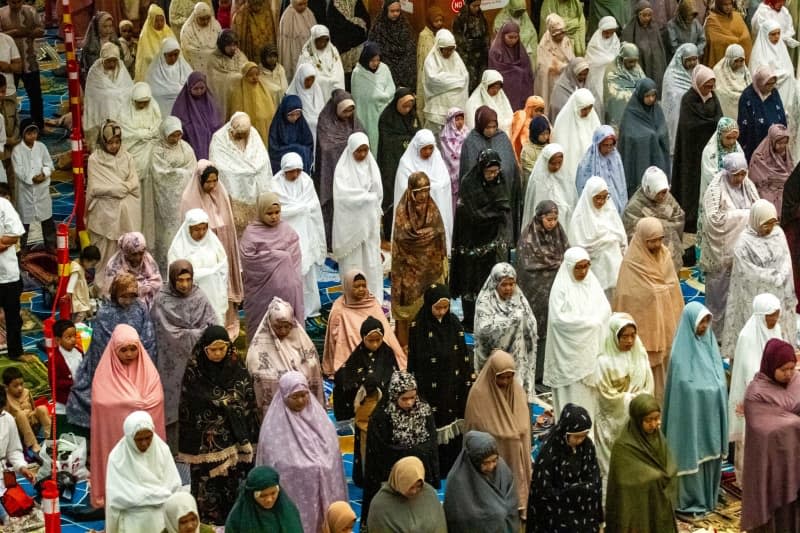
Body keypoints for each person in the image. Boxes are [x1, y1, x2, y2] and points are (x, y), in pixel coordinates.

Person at [179, 326, 259, 525]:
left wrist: (229, 405)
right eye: (212, 350)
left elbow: (246, 397)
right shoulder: (195, 371)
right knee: (210, 490)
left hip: (235, 441)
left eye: (221, 348)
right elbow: (191, 405)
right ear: (204, 350)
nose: (217, 354)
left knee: (234, 485)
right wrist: (223, 403)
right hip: (206, 445)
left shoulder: (236, 367)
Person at [256, 371, 347, 533]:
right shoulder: (273, 427)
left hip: (322, 479)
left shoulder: (320, 419)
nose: (300, 401)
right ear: (284, 396)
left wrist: (320, 464)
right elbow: (276, 461)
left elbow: (332, 450)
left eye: (304, 395)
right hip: (297, 488)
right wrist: (305, 466)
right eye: (294, 397)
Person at [66, 273, 156, 432]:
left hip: (136, 362)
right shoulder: (105, 313)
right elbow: (101, 348)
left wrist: (134, 356)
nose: (128, 300)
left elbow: (148, 338)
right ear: (115, 293)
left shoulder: (140, 308)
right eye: (124, 296)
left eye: (131, 296)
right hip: (112, 367)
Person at [662, 302, 728, 516]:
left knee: (709, 461)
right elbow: (684, 387)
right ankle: (690, 499)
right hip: (690, 420)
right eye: (701, 322)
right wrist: (707, 389)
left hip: (709, 418)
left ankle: (708, 496)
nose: (704, 326)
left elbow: (719, 379)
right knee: (692, 459)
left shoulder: (710, 346)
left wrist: (711, 389)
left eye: (707, 321)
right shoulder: (680, 356)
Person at [90, 324, 165, 509]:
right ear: (114, 350)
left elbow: (156, 398)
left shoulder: (148, 370)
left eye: (133, 349)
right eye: (123, 350)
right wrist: (133, 403)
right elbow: (102, 402)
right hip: (116, 434)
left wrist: (133, 403)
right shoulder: (104, 374)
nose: (130, 354)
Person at [613, 217, 683, 400]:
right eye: (652, 241)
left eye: (660, 239)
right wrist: (654, 293)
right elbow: (626, 295)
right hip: (646, 328)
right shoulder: (632, 262)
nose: (657, 244)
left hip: (665, 322)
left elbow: (672, 284)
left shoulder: (665, 254)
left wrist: (660, 291)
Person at [151, 260, 217, 451]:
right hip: (171, 362)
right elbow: (160, 330)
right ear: (172, 279)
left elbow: (212, 325)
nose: (185, 284)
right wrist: (191, 334)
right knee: (174, 404)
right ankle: (173, 449)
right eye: (180, 280)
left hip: (198, 361)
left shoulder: (199, 296)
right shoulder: (162, 299)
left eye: (188, 279)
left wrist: (193, 335)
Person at [407, 283, 471, 472]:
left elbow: (463, 356)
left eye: (445, 307)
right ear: (429, 305)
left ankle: (453, 462)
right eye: (438, 307)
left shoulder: (454, 324)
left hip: (452, 383)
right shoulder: (418, 326)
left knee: (452, 419)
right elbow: (414, 360)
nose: (442, 312)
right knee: (433, 421)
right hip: (429, 385)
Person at [361, 371, 440, 526]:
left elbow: (431, 442)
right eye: (404, 398)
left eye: (413, 397)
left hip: (420, 476)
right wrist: (412, 453)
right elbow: (381, 450)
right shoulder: (382, 416)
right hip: (392, 479)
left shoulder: (423, 410)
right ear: (394, 395)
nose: (410, 403)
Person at [722, 199, 796, 357]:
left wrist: (781, 275)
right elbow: (747, 273)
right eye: (765, 224)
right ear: (756, 221)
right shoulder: (744, 242)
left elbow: (786, 260)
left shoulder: (778, 234)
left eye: (772, 223)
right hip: (754, 297)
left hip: (778, 293)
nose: (769, 228)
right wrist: (772, 277)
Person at [544, 247, 611, 417]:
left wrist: (594, 322)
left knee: (589, 399)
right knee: (572, 397)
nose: (583, 271)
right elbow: (559, 320)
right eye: (578, 267)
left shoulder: (592, 282)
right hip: (568, 355)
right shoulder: (561, 288)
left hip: (590, 351)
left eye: (586, 266)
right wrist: (589, 324)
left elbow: (604, 309)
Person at [741, 338, 800, 532]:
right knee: (776, 512)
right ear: (771, 365)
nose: (789, 374)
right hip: (771, 465)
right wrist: (795, 422)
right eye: (784, 369)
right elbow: (765, 429)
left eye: (792, 368)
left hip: (795, 460)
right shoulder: (756, 393)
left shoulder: (796, 382)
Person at [179, 161, 243, 338]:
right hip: (199, 250)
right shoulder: (189, 198)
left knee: (223, 283)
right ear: (200, 181)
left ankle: (228, 323)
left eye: (215, 181)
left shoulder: (220, 192)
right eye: (208, 182)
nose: (212, 185)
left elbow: (227, 221)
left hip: (222, 245)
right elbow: (188, 231)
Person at [450, 149, 513, 330]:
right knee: (470, 277)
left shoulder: (500, 180)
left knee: (487, 276)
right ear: (481, 169)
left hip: (491, 237)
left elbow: (504, 205)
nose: (493, 176)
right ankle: (470, 319)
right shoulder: (469, 183)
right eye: (489, 172)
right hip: (470, 237)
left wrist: (494, 214)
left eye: (495, 171)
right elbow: (473, 214)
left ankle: (489, 314)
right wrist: (495, 213)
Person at [464, 351, 531, 518]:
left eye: (510, 377)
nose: (506, 382)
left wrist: (514, 435)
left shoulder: (517, 391)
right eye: (502, 377)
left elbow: (523, 426)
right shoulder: (478, 395)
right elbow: (476, 435)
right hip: (494, 462)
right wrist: (506, 434)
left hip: (517, 458)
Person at [700, 152, 760, 337]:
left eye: (743, 174)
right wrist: (745, 215)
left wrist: (749, 215)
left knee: (741, 294)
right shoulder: (715, 190)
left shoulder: (747, 186)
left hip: (743, 251)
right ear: (727, 172)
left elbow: (757, 210)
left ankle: (737, 332)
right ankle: (716, 334)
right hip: (721, 254)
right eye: (737, 174)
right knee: (719, 295)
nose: (740, 178)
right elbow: (714, 221)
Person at [333, 316, 399, 483]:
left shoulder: (388, 354)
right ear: (363, 338)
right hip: (364, 414)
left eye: (378, 340)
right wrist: (364, 384)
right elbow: (344, 378)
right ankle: (365, 476)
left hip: (384, 410)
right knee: (365, 444)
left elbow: (394, 378)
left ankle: (385, 475)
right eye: (371, 340)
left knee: (384, 443)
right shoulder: (357, 356)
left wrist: (377, 384)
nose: (375, 344)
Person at [727, 294, 782, 483]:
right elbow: (748, 372)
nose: (774, 319)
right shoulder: (747, 337)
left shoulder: (777, 330)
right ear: (761, 315)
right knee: (750, 440)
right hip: (754, 397)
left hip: (773, 395)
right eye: (771, 315)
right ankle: (748, 482)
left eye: (776, 314)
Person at [605, 393, 678, 532]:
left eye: (657, 419)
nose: (654, 424)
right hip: (637, 506)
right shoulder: (623, 446)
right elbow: (623, 483)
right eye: (648, 420)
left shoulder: (657, 436)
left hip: (658, 500)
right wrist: (652, 476)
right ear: (638, 420)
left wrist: (667, 472)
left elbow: (668, 462)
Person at [594, 313, 654, 479]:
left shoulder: (639, 356)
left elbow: (648, 386)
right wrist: (630, 400)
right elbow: (605, 395)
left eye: (632, 336)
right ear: (614, 336)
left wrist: (638, 402)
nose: (629, 341)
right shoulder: (604, 361)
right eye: (624, 336)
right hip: (613, 421)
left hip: (636, 418)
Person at [516, 200, 569, 389]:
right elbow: (527, 265)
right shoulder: (528, 238)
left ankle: (550, 371)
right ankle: (534, 373)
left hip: (556, 292)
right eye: (549, 219)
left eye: (555, 219)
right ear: (540, 218)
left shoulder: (559, 234)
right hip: (535, 293)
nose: (552, 223)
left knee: (553, 330)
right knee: (534, 331)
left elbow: (567, 257)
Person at [391, 172, 448, 346]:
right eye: (419, 191)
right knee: (408, 310)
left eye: (426, 191)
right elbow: (402, 239)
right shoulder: (403, 212)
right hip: (408, 269)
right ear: (411, 192)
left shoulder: (432, 209)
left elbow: (439, 234)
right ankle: (405, 347)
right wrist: (422, 238)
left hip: (431, 268)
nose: (423, 196)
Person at [527, 404, 602, 532]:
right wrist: (571, 491)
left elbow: (593, 474)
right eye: (576, 437)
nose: (580, 440)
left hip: (583, 504)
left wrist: (583, 489)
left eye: (584, 435)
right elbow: (543, 491)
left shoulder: (587, 446)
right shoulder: (549, 452)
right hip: (557, 508)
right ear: (565, 433)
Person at [239, 193, 303, 342]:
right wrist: (276, 258)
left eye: (277, 212)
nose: (274, 217)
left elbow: (295, 259)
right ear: (261, 212)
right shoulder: (252, 232)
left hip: (287, 291)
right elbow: (248, 260)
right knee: (262, 329)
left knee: (286, 325)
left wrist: (281, 260)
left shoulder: (287, 230)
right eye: (269, 213)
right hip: (261, 293)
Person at [105, 411, 181, 533]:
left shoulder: (162, 450)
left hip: (160, 517)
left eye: (148, 437)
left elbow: (174, 487)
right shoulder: (117, 457)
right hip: (132, 520)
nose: (144, 443)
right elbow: (116, 499)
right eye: (139, 439)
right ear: (130, 438)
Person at [247, 297, 324, 417]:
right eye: (278, 327)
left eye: (287, 326)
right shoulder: (258, 349)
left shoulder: (304, 344)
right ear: (269, 324)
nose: (283, 331)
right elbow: (257, 373)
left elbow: (312, 367)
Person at [272, 153, 326, 317]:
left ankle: (309, 307)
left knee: (306, 271)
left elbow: (313, 206)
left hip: (305, 233)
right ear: (284, 170)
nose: (295, 175)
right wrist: (299, 210)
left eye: (297, 171)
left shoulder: (306, 181)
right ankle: (287, 306)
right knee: (287, 271)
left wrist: (301, 210)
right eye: (291, 171)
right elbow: (278, 211)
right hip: (285, 236)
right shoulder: (275, 185)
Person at [474, 263, 538, 401]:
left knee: (516, 397)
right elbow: (484, 330)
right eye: (504, 285)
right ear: (495, 283)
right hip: (495, 363)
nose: (508, 288)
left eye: (512, 284)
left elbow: (531, 324)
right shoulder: (485, 301)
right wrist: (511, 322)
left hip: (518, 359)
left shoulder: (518, 298)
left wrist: (523, 321)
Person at [322, 269, 404, 375]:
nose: (361, 289)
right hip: (353, 350)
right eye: (356, 286)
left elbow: (386, 332)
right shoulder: (339, 308)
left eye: (363, 286)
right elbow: (333, 340)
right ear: (347, 287)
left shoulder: (372, 302)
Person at [332, 132, 383, 301]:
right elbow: (342, 197)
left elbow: (378, 194)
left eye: (365, 151)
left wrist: (369, 201)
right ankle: (352, 296)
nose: (362, 155)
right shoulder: (343, 169)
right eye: (358, 151)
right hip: (350, 227)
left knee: (370, 261)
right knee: (352, 263)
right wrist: (366, 198)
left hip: (369, 227)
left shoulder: (371, 166)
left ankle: (373, 296)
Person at [673, 65, 722, 232]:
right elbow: (689, 125)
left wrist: (709, 125)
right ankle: (691, 219)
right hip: (691, 151)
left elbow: (719, 120)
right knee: (691, 184)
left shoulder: (713, 97)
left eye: (711, 85)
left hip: (709, 150)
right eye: (706, 85)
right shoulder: (688, 99)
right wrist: (709, 124)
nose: (710, 89)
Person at [458, 107, 522, 238]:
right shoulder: (471, 142)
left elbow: (511, 165)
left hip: (504, 193)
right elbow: (469, 172)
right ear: (480, 124)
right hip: (480, 202)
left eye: (494, 126)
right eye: (488, 127)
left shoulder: (502, 138)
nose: (491, 130)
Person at [209, 112, 273, 235]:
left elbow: (263, 158)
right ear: (231, 129)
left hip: (255, 188)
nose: (242, 137)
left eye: (245, 134)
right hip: (234, 189)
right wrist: (243, 171)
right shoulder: (219, 138)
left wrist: (251, 169)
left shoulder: (253, 133)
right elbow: (219, 165)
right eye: (240, 134)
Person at [316, 91, 365, 249]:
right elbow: (326, 147)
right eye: (345, 111)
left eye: (351, 110)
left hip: (352, 174)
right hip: (333, 171)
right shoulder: (325, 121)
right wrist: (347, 146)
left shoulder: (354, 123)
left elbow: (362, 139)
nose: (348, 114)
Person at [443, 431, 519, 532]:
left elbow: (512, 500)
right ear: (474, 460)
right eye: (485, 463)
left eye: (494, 460)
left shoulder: (501, 468)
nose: (491, 466)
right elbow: (460, 519)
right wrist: (495, 515)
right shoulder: (456, 481)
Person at [116, 82, 161, 246]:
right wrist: (139, 135)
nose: (142, 106)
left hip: (150, 159)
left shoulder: (154, 107)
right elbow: (124, 134)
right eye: (139, 103)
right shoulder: (124, 111)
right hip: (133, 159)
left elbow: (158, 128)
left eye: (145, 103)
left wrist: (149, 134)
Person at [150, 116, 197, 270]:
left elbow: (193, 168)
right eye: (172, 135)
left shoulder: (186, 147)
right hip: (166, 201)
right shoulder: (158, 150)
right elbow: (160, 173)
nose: (176, 138)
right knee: (169, 233)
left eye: (178, 135)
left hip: (185, 197)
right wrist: (181, 173)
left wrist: (181, 173)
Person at [568, 176, 627, 295]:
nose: (601, 201)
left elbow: (622, 239)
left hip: (614, 271)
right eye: (597, 198)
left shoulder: (610, 211)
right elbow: (577, 247)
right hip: (593, 271)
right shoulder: (580, 219)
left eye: (605, 197)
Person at [393, 130, 453, 249]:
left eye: (431, 148)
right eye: (424, 148)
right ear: (416, 148)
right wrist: (425, 190)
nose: (428, 152)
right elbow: (405, 189)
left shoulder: (437, 159)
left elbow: (445, 183)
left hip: (435, 218)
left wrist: (430, 188)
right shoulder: (406, 163)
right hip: (415, 216)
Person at [623, 166, 685, 273]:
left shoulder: (667, 197)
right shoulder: (635, 207)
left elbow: (678, 217)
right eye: (658, 193)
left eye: (664, 192)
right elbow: (632, 234)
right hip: (648, 259)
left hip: (670, 253)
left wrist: (661, 228)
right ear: (649, 189)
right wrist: (655, 232)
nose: (662, 196)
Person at [378, 88, 419, 239]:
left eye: (410, 106)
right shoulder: (386, 118)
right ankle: (390, 233)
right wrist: (406, 141)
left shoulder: (412, 116)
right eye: (404, 106)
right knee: (393, 196)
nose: (407, 110)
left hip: (410, 164)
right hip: (391, 163)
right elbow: (388, 142)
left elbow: (417, 134)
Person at [618, 79, 671, 196]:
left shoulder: (656, 109)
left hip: (657, 157)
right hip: (640, 160)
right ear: (640, 95)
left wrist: (659, 134)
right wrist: (650, 135)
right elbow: (629, 135)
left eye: (653, 95)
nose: (651, 99)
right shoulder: (631, 112)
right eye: (647, 96)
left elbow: (663, 128)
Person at [368, 456, 447, 533]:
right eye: (410, 486)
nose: (414, 491)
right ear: (399, 481)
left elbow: (439, 526)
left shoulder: (429, 494)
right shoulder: (380, 505)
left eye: (419, 486)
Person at [0, 0, 44, 128]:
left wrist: (27, 33)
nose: (15, 3)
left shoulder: (30, 11)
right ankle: (7, 128)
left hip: (29, 61)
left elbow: (41, 30)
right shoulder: (1, 13)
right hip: (9, 65)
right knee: (7, 95)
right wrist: (14, 33)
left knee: (35, 96)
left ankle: (39, 126)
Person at [12, 120, 54, 250]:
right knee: (24, 223)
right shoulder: (17, 151)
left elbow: (49, 164)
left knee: (47, 220)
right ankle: (21, 250)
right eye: (29, 133)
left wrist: (44, 174)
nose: (33, 136)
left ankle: (51, 247)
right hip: (26, 191)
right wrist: (32, 179)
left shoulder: (41, 147)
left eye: (34, 133)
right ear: (23, 134)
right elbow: (18, 171)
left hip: (42, 191)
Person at [82, 43, 134, 144]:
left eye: (114, 61)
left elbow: (129, 91)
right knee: (108, 101)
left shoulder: (121, 69)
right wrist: (112, 96)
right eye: (108, 61)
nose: (112, 64)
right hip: (102, 112)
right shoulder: (95, 72)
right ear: (102, 60)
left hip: (122, 116)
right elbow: (93, 97)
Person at [224, 466, 303, 532]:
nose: (269, 499)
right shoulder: (237, 519)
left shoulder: (288, 512)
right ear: (251, 495)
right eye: (262, 496)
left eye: (273, 493)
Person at [421, 29, 470, 133]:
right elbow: (434, 80)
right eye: (446, 49)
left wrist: (446, 79)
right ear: (439, 48)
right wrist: (455, 81)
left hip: (456, 104)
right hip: (437, 108)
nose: (449, 52)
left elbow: (465, 77)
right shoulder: (431, 60)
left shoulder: (456, 57)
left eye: (451, 49)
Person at [748, 22, 797, 125]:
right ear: (766, 35)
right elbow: (759, 74)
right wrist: (782, 75)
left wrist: (784, 75)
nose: (777, 37)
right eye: (773, 34)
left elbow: (789, 68)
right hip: (768, 88)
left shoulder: (781, 46)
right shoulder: (759, 51)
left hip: (785, 86)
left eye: (778, 33)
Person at [351, 43, 396, 153]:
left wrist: (382, 97)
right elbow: (360, 97)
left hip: (384, 113)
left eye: (378, 60)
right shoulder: (358, 73)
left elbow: (391, 89)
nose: (376, 63)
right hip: (367, 114)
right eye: (372, 60)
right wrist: (378, 97)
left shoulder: (384, 68)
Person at [521, 143, 575, 232]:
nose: (557, 166)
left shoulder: (566, 177)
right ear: (546, 161)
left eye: (559, 163)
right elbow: (537, 206)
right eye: (553, 163)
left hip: (562, 221)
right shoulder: (538, 180)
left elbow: (570, 200)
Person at [551, 88, 601, 184]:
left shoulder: (593, 118)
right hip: (571, 168)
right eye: (584, 109)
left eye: (590, 108)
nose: (587, 112)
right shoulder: (563, 121)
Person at [102, 232, 162, 309]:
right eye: (134, 254)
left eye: (141, 253)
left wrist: (144, 288)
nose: (138, 258)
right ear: (126, 252)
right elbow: (110, 292)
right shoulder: (114, 265)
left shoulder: (147, 259)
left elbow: (157, 282)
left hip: (149, 303)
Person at [738, 66, 787, 160]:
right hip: (754, 140)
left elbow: (781, 114)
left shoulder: (774, 92)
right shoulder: (747, 96)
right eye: (768, 84)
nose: (771, 87)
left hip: (773, 141)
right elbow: (744, 122)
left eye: (773, 83)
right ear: (760, 82)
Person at [576, 125, 627, 214]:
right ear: (598, 144)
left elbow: (621, 183)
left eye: (611, 145)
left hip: (615, 205)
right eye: (605, 145)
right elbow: (582, 189)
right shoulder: (586, 164)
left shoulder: (616, 158)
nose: (608, 149)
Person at [171, 73, 222, 161]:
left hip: (212, 143)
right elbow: (177, 124)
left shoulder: (210, 102)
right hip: (191, 143)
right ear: (189, 88)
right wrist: (194, 129)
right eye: (196, 89)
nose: (199, 91)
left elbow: (217, 122)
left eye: (202, 88)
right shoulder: (182, 104)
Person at [368, 0, 416, 88]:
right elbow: (373, 50)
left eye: (398, 11)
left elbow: (411, 48)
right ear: (386, 11)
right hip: (385, 68)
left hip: (405, 69)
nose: (395, 14)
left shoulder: (405, 25)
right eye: (392, 11)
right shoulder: (378, 27)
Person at [2, 366, 49, 456]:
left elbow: (34, 408)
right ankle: (33, 444)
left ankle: (50, 438)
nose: (20, 388)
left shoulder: (27, 392)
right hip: (19, 429)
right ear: (7, 387)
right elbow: (6, 419)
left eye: (21, 384)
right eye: (15, 386)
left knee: (42, 408)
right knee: (20, 414)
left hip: (32, 423)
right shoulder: (6, 397)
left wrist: (32, 413)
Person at [662, 43, 699, 154]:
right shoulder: (671, 75)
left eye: (695, 59)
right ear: (681, 59)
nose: (692, 63)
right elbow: (673, 97)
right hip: (678, 116)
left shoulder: (698, 72)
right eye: (689, 60)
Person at [489, 22, 535, 111]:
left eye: (516, 37)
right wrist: (516, 71)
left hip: (521, 89)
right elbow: (495, 71)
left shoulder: (520, 49)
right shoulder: (496, 51)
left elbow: (527, 67)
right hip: (504, 89)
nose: (513, 40)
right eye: (510, 37)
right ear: (503, 35)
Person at [621, 1, 667, 90]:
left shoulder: (654, 28)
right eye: (644, 15)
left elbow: (660, 51)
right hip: (639, 66)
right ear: (638, 15)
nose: (647, 18)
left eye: (649, 15)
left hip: (654, 67)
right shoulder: (629, 31)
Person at [534, 14, 575, 115]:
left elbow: (571, 58)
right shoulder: (544, 44)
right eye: (557, 35)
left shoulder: (566, 41)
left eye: (562, 33)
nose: (561, 37)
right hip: (551, 79)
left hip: (566, 77)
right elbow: (544, 65)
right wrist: (561, 67)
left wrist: (569, 66)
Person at [749, 124, 793, 211]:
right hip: (766, 190)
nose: (783, 146)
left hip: (784, 188)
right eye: (780, 143)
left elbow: (791, 170)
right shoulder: (759, 156)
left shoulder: (785, 153)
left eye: (785, 143)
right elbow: (757, 179)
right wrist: (778, 180)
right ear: (772, 141)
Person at [0, 188, 22, 361]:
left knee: (13, 316)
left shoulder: (3, 205)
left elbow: (13, 236)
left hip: (7, 274)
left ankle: (15, 352)